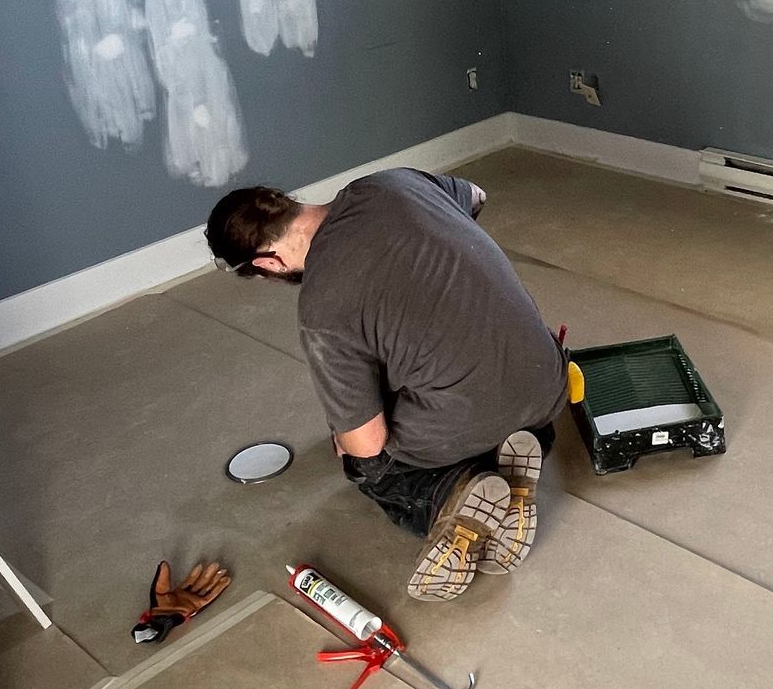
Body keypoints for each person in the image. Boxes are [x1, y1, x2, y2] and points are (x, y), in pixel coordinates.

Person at [204, 170, 566, 602]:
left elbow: (368, 443)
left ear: (268, 262)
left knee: (367, 465)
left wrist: (345, 437)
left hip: (471, 413)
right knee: (461, 381)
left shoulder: (322, 308)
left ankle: (449, 493)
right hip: (548, 381)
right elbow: (476, 195)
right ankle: (520, 450)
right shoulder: (388, 184)